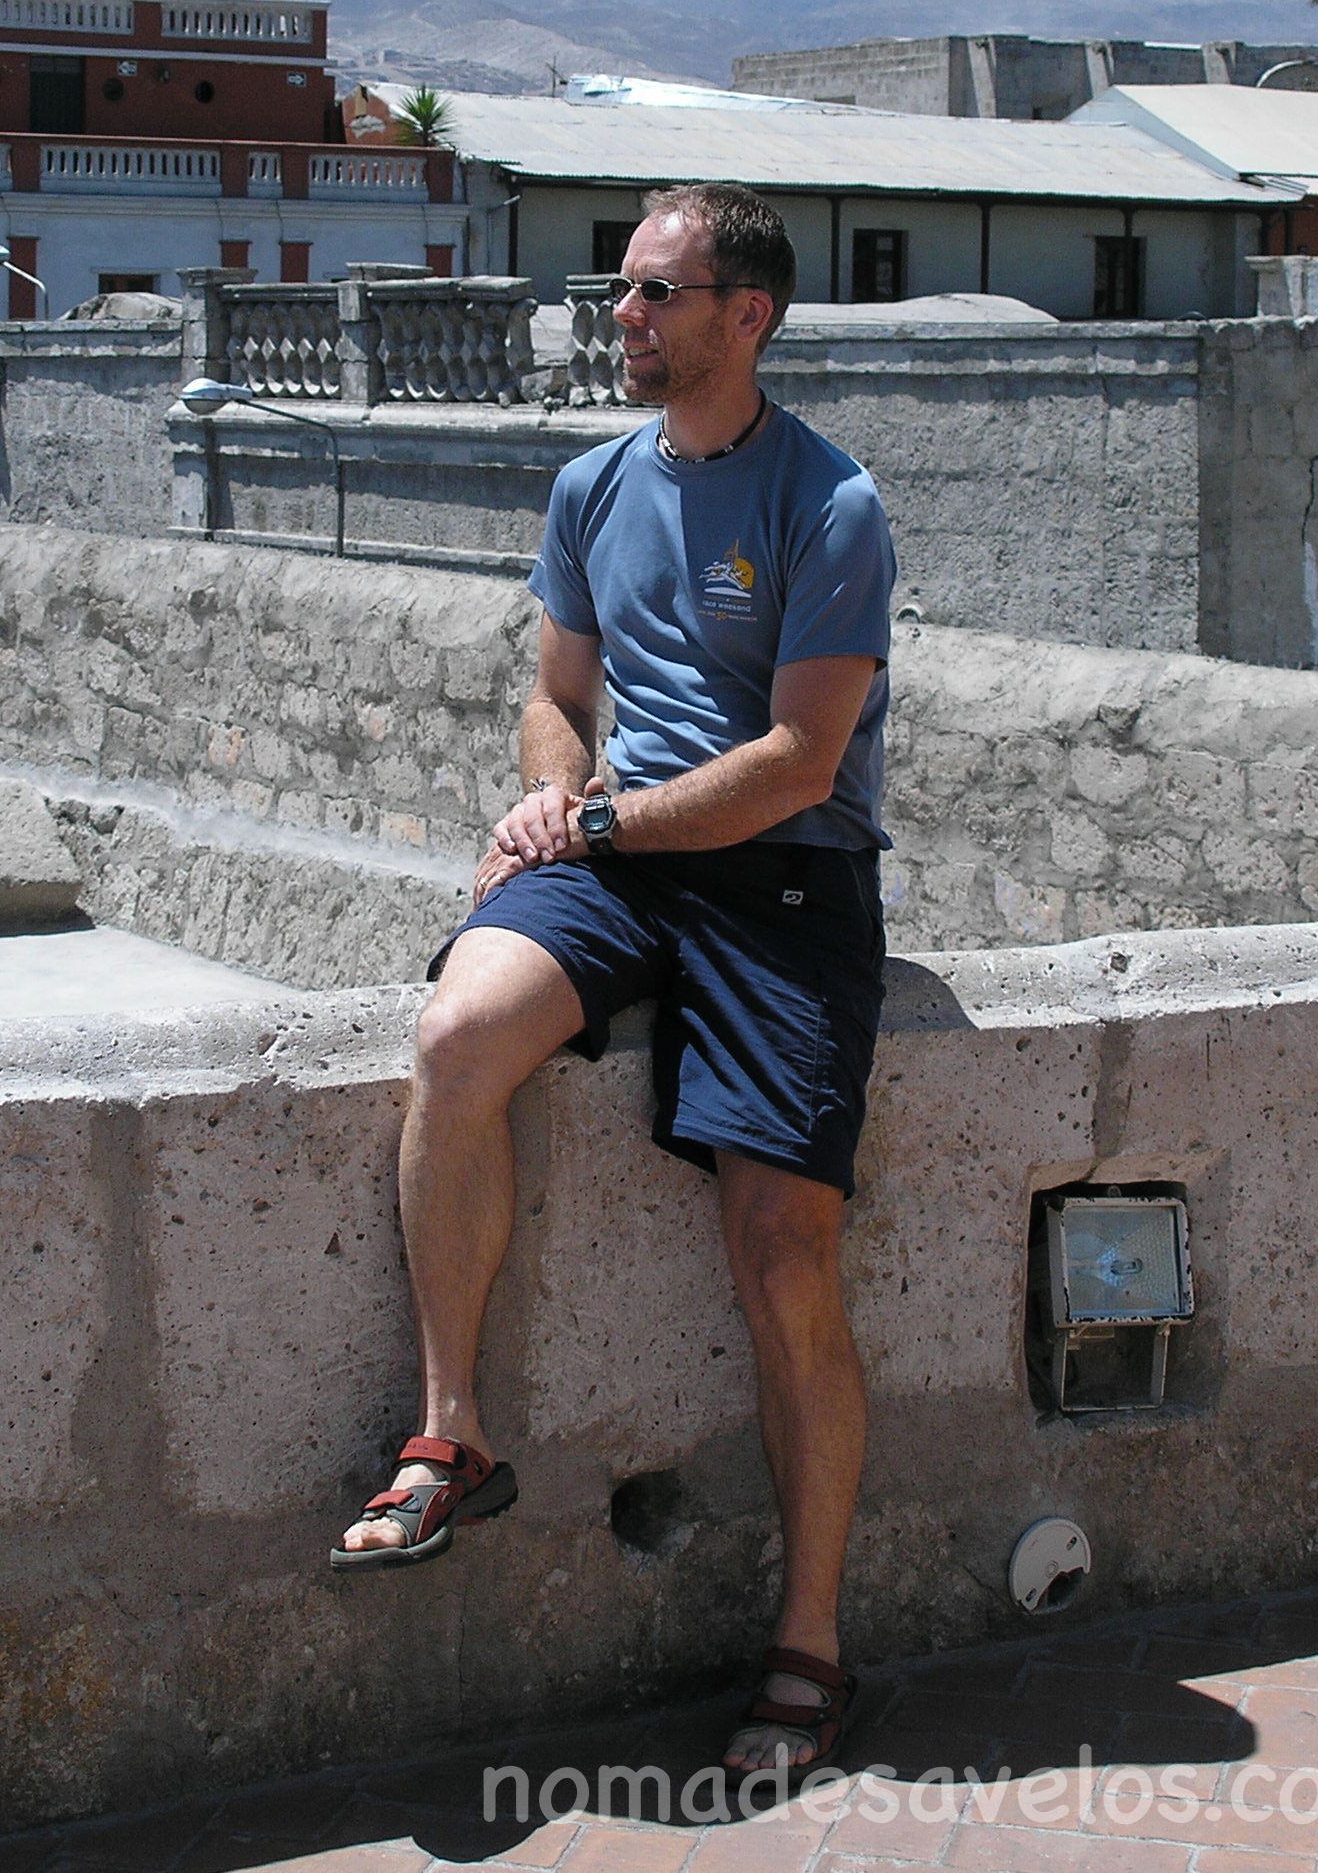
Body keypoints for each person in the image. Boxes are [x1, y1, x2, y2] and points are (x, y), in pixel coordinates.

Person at [332, 182, 895, 1782]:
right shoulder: (590, 485)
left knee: (781, 1247)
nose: (622, 317)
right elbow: (556, 696)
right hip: (618, 856)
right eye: (620, 288)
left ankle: (810, 1646)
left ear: (746, 316)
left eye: (654, 292)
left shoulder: (831, 503)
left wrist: (594, 819)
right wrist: (550, 793)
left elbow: (799, 761)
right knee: (458, 1034)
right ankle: (451, 1434)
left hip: (785, 881)